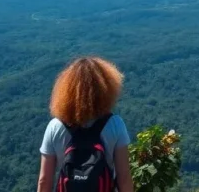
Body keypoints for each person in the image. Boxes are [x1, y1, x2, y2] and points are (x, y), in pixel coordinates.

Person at [38, 57, 134, 192]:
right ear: (106, 88)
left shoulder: (55, 127)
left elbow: (44, 181)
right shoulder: (115, 124)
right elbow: (124, 178)